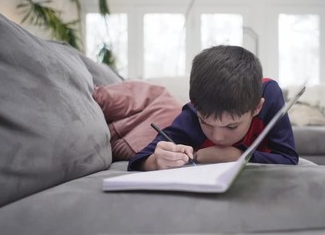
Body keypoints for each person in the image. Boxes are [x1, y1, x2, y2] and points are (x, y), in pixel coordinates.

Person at [128, 45, 298, 171]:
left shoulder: (269, 95)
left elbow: (288, 158)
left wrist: (237, 155)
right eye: (206, 122)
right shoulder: (193, 115)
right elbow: (138, 160)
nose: (218, 137)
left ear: (256, 108)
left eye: (231, 126)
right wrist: (157, 161)